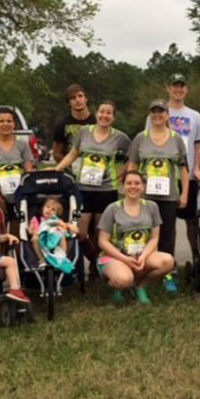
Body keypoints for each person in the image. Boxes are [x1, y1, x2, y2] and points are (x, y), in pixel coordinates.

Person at [54, 100, 131, 278]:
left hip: (107, 189)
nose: (105, 115)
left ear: (114, 117)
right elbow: (73, 154)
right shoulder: (83, 132)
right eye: (102, 112)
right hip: (83, 188)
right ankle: (92, 259)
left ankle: (98, 268)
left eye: (109, 113)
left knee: (100, 233)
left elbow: (132, 155)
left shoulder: (119, 137)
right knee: (80, 232)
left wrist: (124, 172)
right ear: (97, 114)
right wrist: (56, 169)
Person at [128, 99, 189, 292]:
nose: (157, 115)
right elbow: (132, 165)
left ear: (167, 114)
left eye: (161, 111)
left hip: (169, 197)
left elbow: (183, 168)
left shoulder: (176, 138)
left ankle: (168, 273)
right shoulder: (141, 137)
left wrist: (185, 193)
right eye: (153, 111)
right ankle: (141, 272)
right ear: (149, 115)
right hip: (145, 197)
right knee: (143, 235)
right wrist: (131, 188)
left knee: (167, 236)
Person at [147, 74, 200, 262]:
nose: (178, 90)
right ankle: (165, 262)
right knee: (165, 222)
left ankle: (197, 258)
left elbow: (198, 145)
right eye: (175, 86)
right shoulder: (157, 113)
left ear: (186, 90)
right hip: (162, 178)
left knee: (192, 221)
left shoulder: (194, 116)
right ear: (168, 88)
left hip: (187, 177)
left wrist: (196, 167)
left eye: (181, 86)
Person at [97, 170, 174, 304]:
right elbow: (102, 241)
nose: (133, 186)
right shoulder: (112, 209)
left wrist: (143, 256)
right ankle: (118, 287)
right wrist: (125, 259)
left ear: (143, 186)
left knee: (168, 261)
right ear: (122, 187)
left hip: (140, 255)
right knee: (123, 279)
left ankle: (140, 286)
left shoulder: (152, 207)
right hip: (115, 256)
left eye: (137, 183)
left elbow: (154, 238)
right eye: (129, 183)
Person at [0, 107, 35, 229]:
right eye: (1, 121)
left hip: (18, 193)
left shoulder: (22, 144)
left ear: (14, 124)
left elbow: (28, 170)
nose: (5, 124)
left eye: (9, 121)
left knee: (17, 228)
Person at [28, 197, 78, 273]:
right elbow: (30, 230)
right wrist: (32, 232)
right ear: (43, 208)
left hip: (54, 241)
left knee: (61, 235)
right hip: (41, 240)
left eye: (53, 209)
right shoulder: (36, 219)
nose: (49, 210)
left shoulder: (57, 220)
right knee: (34, 238)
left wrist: (67, 226)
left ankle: (62, 258)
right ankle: (41, 260)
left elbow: (66, 227)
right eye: (47, 207)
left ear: (56, 213)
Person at [52, 84, 96, 165]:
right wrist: (72, 163)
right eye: (73, 98)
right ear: (69, 103)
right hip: (70, 171)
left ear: (86, 98)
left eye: (80, 96)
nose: (77, 100)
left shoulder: (97, 122)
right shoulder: (62, 125)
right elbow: (56, 154)